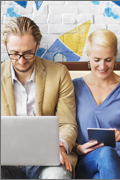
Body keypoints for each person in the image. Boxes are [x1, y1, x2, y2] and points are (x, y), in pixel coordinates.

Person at [1, 16, 78, 179]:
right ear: (6, 46)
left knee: (58, 175)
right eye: (14, 54)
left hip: (47, 157)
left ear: (38, 46)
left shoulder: (59, 73)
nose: (21, 61)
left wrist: (61, 145)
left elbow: (68, 124)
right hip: (5, 160)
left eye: (28, 53)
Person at [72, 29, 120, 179]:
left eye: (108, 60)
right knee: (106, 152)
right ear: (88, 55)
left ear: (115, 55)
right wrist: (78, 148)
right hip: (88, 160)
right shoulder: (74, 88)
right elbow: (64, 129)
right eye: (97, 60)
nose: (102, 66)